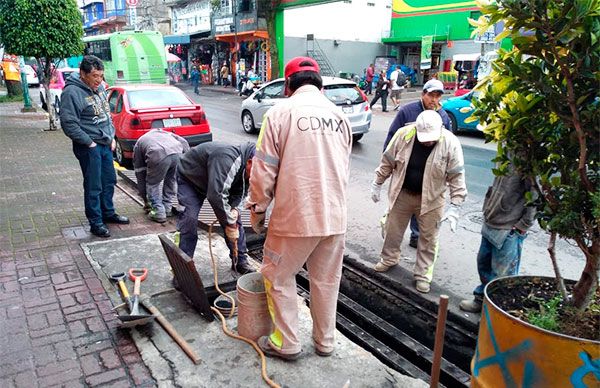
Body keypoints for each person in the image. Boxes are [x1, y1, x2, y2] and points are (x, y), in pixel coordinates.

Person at [246, 56, 353, 360]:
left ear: (288, 85)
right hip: (334, 216)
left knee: (277, 276)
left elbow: (263, 170)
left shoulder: (279, 113)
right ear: (319, 84)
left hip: (296, 217)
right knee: (326, 281)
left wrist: (257, 210)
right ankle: (325, 342)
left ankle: (287, 342)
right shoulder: (339, 116)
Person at [370, 110, 467, 293]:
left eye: (431, 138)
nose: (427, 141)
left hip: (432, 199)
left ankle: (422, 275)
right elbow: (387, 161)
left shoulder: (450, 143)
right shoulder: (403, 135)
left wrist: (456, 206)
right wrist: (377, 183)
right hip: (402, 193)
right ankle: (389, 259)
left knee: (428, 239)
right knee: (393, 230)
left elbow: (457, 175)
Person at [60, 55, 129, 238]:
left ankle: (108, 212)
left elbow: (107, 115)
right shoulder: (72, 92)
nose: (99, 80)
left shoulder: (100, 88)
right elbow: (69, 124)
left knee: (109, 181)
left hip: (106, 144)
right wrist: (89, 142)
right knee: (94, 185)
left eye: (101, 75)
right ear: (83, 74)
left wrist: (112, 137)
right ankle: (96, 222)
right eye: (95, 76)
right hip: (89, 146)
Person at [383, 79, 452, 248]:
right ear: (423, 94)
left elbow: (449, 147)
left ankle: (417, 234)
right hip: (405, 172)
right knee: (399, 209)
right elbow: (392, 140)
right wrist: (387, 167)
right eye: (431, 95)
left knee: (422, 207)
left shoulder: (443, 117)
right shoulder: (408, 112)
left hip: (429, 174)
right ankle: (391, 244)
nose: (434, 100)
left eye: (437, 96)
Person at [459, 168, 536, 312]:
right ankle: (482, 300)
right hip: (492, 220)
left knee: (502, 278)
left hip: (509, 227)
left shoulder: (528, 159)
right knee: (484, 264)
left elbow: (535, 194)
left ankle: (496, 313)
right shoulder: (508, 152)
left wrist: (524, 224)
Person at [176, 141, 256, 275]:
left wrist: (235, 210)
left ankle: (240, 261)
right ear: (249, 162)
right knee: (189, 219)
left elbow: (241, 192)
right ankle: (183, 270)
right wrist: (229, 221)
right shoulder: (227, 158)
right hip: (190, 179)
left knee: (234, 219)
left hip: (214, 181)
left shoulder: (251, 170)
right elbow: (215, 195)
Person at [133, 129, 190, 223]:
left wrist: (146, 200)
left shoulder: (139, 143)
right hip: (177, 152)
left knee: (152, 184)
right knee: (171, 180)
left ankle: (158, 212)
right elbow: (183, 141)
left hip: (158, 154)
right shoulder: (165, 133)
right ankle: (167, 208)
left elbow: (140, 175)